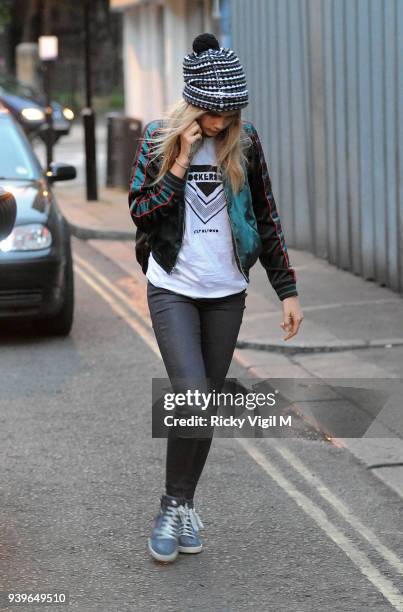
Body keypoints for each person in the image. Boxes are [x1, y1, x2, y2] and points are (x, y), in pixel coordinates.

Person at [128, 32, 303, 563]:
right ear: (193, 103)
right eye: (211, 112)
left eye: (229, 113)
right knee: (192, 396)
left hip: (227, 293)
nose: (220, 123)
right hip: (174, 288)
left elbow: (266, 218)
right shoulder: (159, 138)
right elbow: (141, 211)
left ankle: (180, 503)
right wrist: (179, 164)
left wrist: (287, 291)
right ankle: (170, 507)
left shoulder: (245, 144)